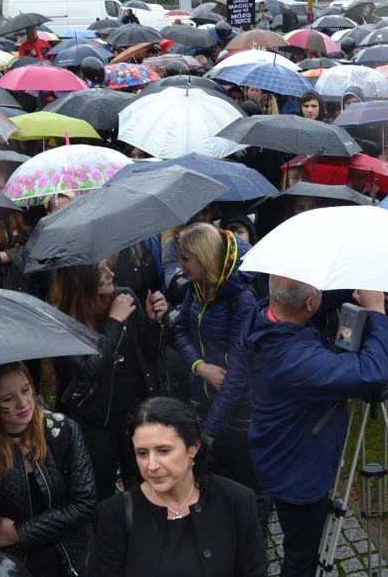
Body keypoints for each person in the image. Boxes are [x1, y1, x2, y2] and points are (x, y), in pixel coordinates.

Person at [239, 277, 388, 577]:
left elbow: (308, 301)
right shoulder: (296, 359)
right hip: (297, 473)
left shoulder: (264, 314)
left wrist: (359, 286)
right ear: (309, 304)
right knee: (301, 556)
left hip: (276, 450)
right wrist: (376, 310)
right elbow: (372, 372)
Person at [91, 397, 266, 576]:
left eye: (163, 451)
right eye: (142, 453)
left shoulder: (237, 500)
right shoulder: (114, 514)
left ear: (193, 448)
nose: (151, 465)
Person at [0, 363, 95, 577]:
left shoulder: (63, 431)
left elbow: (84, 504)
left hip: (72, 559)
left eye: (25, 390)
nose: (23, 403)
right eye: (7, 399)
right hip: (16, 566)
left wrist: (20, 532)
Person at [51, 258, 169, 499]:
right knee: (100, 489)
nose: (110, 273)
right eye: (100, 271)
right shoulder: (64, 317)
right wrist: (114, 322)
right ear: (79, 278)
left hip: (136, 409)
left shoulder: (124, 297)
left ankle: (145, 534)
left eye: (108, 266)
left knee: (145, 483)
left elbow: (149, 356)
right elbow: (89, 369)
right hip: (95, 417)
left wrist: (155, 322)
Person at [172, 224, 261, 492]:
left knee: (244, 484)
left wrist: (209, 431)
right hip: (202, 399)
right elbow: (179, 331)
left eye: (186, 258)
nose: (180, 264)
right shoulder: (196, 289)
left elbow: (238, 372)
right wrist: (199, 367)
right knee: (212, 483)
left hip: (236, 413)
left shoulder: (242, 299)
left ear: (204, 256)